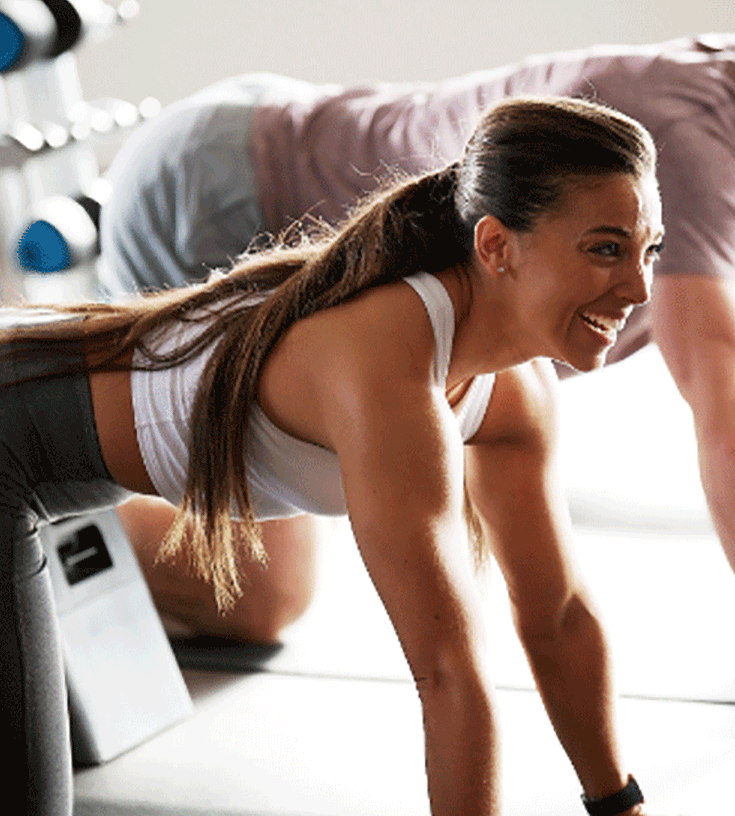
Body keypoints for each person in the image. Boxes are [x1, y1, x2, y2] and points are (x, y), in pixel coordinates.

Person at [99, 0, 735, 708]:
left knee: (349, 500)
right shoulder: (691, 144)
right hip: (227, 187)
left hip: (264, 147)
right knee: (267, 592)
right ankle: (69, 517)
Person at [2, 97, 663, 816]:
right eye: (606, 249)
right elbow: (448, 674)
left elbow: (557, 618)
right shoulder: (387, 359)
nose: (639, 288)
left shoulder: (516, 392)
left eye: (649, 251)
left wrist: (620, 806)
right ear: (497, 245)